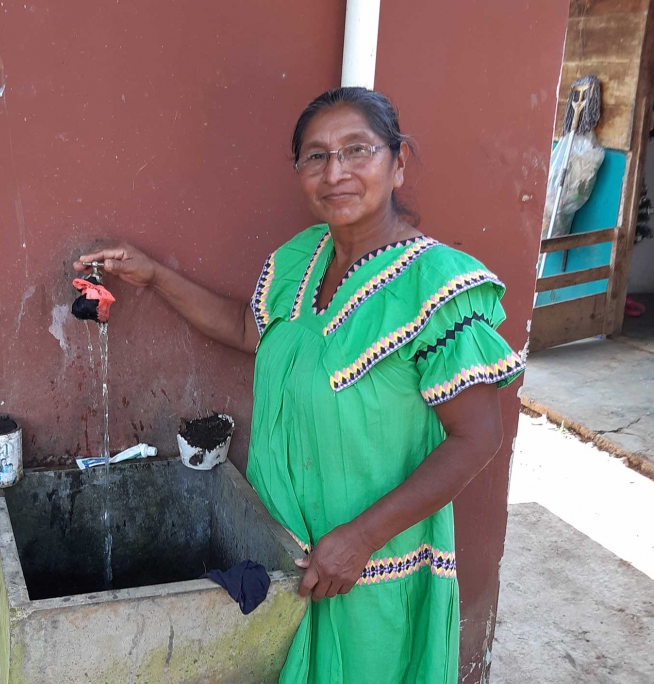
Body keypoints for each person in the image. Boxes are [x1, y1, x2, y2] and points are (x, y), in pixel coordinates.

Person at [74, 87, 525, 684]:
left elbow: (477, 438)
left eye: (357, 150)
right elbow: (247, 327)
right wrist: (153, 276)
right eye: (316, 156)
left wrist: (360, 538)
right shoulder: (299, 258)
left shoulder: (440, 286)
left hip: (370, 568)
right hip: (283, 552)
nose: (335, 172)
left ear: (398, 164)